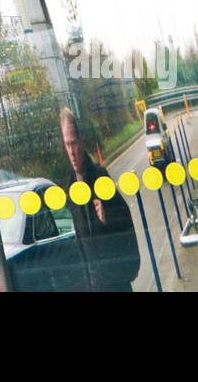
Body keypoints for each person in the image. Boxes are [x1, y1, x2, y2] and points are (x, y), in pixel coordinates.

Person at [59, 106, 141, 292]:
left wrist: (108, 217)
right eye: (67, 145)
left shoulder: (100, 176)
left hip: (116, 284)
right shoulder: (71, 189)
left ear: (81, 141)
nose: (71, 152)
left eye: (74, 143)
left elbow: (126, 222)